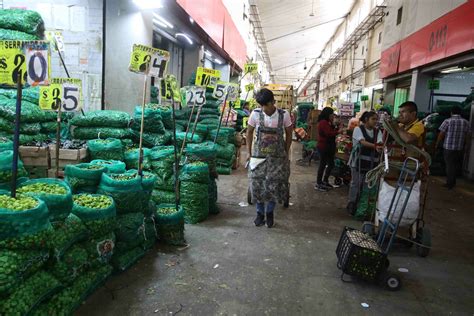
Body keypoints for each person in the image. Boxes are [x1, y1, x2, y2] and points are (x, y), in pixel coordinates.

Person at [246, 88, 293, 228]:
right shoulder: (255, 114)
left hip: (277, 157)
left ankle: (270, 212)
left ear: (273, 102)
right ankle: (260, 213)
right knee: (257, 184)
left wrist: (285, 151)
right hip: (258, 156)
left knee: (275, 184)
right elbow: (249, 133)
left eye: (266, 105)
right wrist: (249, 153)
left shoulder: (284, 115)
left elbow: (289, 134)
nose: (264, 108)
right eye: (262, 105)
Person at [346, 111, 383, 214]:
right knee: (356, 184)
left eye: (376, 119)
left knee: (367, 186)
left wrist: (380, 146)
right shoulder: (358, 129)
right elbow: (362, 142)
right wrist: (376, 146)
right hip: (358, 162)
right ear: (366, 119)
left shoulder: (377, 131)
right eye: (373, 119)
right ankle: (352, 204)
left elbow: (380, 142)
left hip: (372, 163)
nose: (376, 121)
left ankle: (362, 206)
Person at [436, 106, 470, 189]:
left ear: (451, 112)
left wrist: (437, 143)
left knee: (449, 165)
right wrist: (466, 146)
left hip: (448, 147)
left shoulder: (447, 121)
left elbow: (441, 134)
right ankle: (453, 182)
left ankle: (449, 183)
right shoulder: (465, 122)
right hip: (459, 147)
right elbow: (467, 135)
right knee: (455, 165)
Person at [315, 107, 342, 192]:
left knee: (331, 164)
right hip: (323, 147)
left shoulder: (328, 122)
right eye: (331, 115)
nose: (332, 117)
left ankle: (325, 180)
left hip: (329, 147)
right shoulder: (323, 122)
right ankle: (318, 183)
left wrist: (337, 127)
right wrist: (338, 131)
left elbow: (331, 131)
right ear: (328, 115)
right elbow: (329, 133)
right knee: (322, 165)